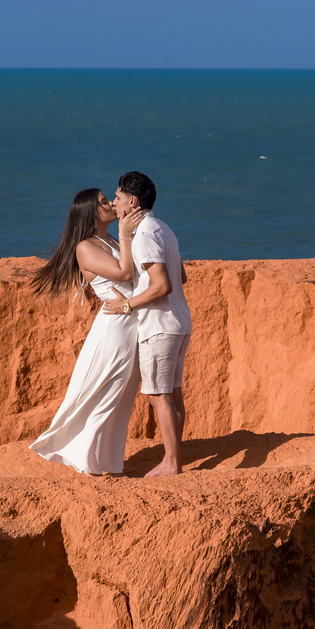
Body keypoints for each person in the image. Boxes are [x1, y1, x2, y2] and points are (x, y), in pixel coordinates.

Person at [28, 188, 147, 475]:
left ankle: (109, 462)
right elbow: (125, 273)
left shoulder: (108, 240)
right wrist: (127, 233)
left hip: (131, 322)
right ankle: (86, 461)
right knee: (104, 392)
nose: (111, 204)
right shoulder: (85, 246)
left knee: (121, 396)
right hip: (114, 329)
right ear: (91, 213)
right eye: (105, 202)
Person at [102, 171, 192, 477]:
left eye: (117, 197)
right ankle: (175, 457)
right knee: (174, 394)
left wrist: (127, 304)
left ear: (132, 201)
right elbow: (181, 277)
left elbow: (162, 285)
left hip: (159, 326)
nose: (113, 203)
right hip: (180, 322)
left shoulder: (144, 235)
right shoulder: (164, 229)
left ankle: (171, 463)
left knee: (159, 396)